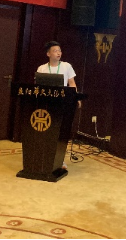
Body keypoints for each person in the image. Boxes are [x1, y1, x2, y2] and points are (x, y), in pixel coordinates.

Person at [36, 40, 80, 171]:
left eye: (59, 50)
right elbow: (38, 87)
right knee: (46, 131)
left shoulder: (66, 66)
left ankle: (59, 160)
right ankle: (43, 157)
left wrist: (76, 97)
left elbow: (72, 83)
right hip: (46, 104)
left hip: (62, 104)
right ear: (48, 54)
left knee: (59, 132)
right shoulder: (42, 68)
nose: (58, 53)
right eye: (55, 51)